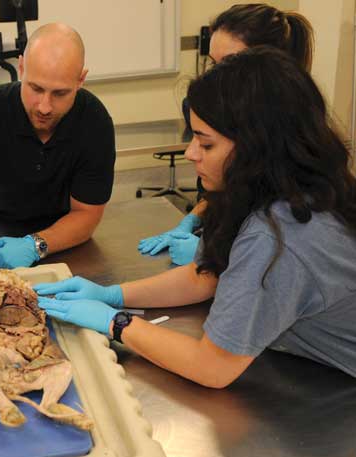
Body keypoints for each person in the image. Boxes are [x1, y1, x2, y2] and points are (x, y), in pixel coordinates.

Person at [35, 47, 356, 388]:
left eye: (206, 144)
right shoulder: (284, 186)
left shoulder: (280, 235)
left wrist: (117, 323)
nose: (190, 154)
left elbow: (212, 367)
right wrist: (111, 294)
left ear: (257, 149)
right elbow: (205, 277)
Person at [138, 3, 314, 265]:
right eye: (212, 63)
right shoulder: (214, 106)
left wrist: (222, 257)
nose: (216, 76)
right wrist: (193, 220)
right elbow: (227, 190)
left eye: (229, 63)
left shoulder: (297, 141)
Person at [0, 23, 115, 269]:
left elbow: (87, 214)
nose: (44, 106)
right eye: (35, 88)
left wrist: (36, 244)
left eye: (60, 93)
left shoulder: (94, 122)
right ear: (21, 68)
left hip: (66, 238)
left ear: (81, 80)